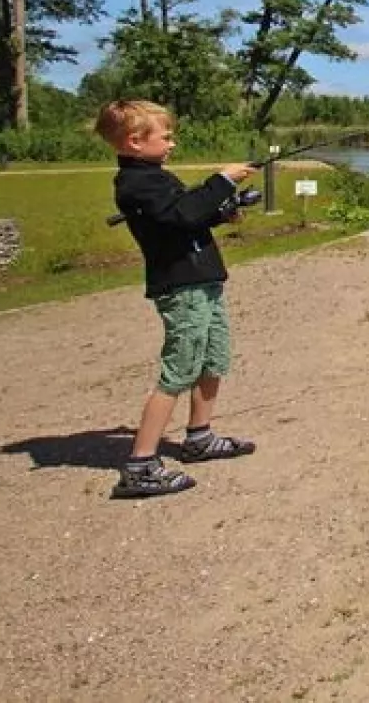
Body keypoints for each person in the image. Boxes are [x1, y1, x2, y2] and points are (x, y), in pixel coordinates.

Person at [94, 99, 260, 499]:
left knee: (213, 357)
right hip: (180, 286)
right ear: (135, 141)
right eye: (165, 136)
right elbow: (182, 215)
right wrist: (222, 180)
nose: (172, 143)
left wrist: (225, 211)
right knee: (180, 369)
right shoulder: (137, 183)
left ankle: (199, 437)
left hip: (202, 282)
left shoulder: (156, 177)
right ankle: (140, 465)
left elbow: (185, 217)